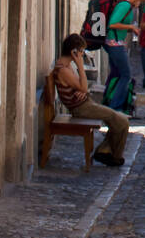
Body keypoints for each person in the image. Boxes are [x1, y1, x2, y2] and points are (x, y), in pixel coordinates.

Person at [52, 33, 129, 166]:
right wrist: (81, 67)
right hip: (81, 108)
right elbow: (83, 87)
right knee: (122, 121)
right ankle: (115, 156)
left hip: (85, 103)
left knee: (119, 119)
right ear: (74, 52)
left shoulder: (67, 67)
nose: (82, 55)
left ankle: (104, 151)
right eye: (81, 52)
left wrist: (83, 90)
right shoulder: (63, 70)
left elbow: (82, 88)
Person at [104, 0, 145, 114]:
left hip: (116, 43)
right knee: (126, 75)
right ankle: (115, 108)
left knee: (116, 74)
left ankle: (110, 104)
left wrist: (131, 29)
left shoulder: (129, 6)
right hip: (115, 44)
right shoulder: (124, 5)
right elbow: (112, 23)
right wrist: (130, 26)